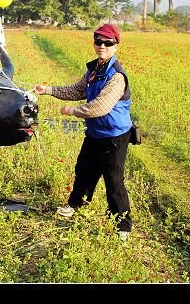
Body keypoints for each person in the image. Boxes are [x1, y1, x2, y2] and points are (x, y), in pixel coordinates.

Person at [33, 24, 133, 242]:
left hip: (114, 135)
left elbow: (101, 106)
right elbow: (77, 90)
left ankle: (122, 224)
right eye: (99, 42)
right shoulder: (95, 69)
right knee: (84, 170)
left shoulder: (117, 76)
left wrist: (74, 111)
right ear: (94, 43)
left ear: (116, 46)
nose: (102, 46)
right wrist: (47, 90)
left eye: (108, 43)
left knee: (113, 180)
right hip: (96, 132)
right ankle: (75, 204)